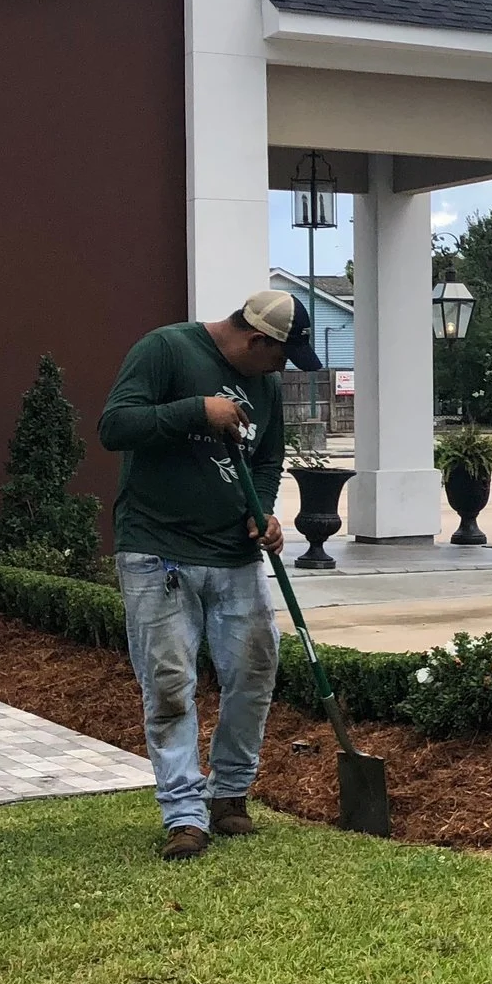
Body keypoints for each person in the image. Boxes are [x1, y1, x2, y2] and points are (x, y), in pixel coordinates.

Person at [98, 290, 319, 860]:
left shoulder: (264, 384)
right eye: (280, 357)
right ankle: (184, 815)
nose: (282, 370)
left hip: (233, 556)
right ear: (255, 341)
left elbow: (267, 459)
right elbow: (115, 426)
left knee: (255, 672)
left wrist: (262, 510)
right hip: (157, 549)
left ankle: (230, 795)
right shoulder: (165, 349)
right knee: (169, 684)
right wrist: (196, 411)